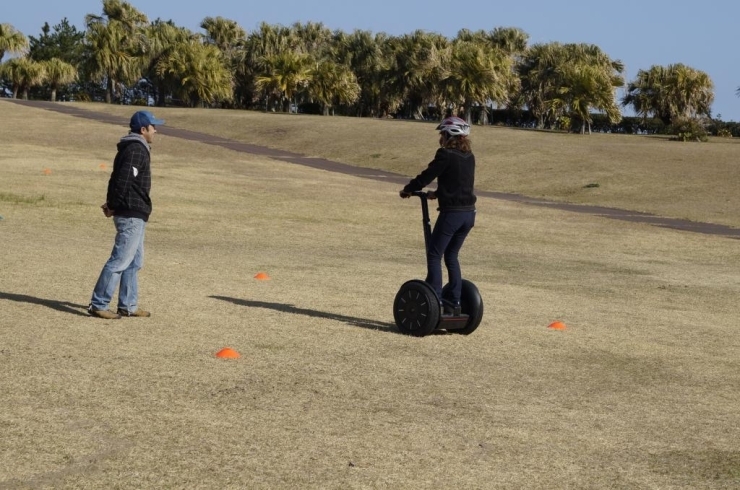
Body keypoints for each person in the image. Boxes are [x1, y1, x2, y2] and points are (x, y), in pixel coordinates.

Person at [88, 110, 164, 319]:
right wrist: (113, 204)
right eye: (153, 127)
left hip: (136, 212)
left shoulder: (134, 148)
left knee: (134, 261)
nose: (156, 130)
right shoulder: (136, 149)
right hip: (130, 213)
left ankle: (128, 305)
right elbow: (122, 180)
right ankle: (99, 304)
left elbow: (117, 178)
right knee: (120, 260)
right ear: (143, 129)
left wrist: (112, 202)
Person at [400, 116, 476, 315]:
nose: (440, 138)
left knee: (434, 254)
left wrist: (409, 189)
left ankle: (435, 300)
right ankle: (455, 301)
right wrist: (439, 193)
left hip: (452, 215)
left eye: (442, 133)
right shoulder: (469, 156)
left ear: (449, 134)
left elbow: (427, 175)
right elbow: (460, 183)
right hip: (468, 214)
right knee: (451, 255)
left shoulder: (445, 154)